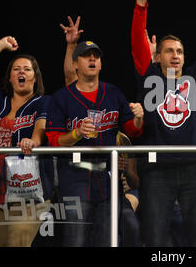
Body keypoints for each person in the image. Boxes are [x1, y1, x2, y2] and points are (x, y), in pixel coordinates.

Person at [131, 0, 196, 246]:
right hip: (156, 172)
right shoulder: (147, 76)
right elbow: (138, 42)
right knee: (155, 238)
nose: (176, 56)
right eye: (169, 51)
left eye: (180, 52)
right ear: (157, 57)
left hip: (193, 170)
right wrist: (141, 4)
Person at [46, 24, 144, 246]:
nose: (92, 59)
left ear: (100, 64)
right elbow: (53, 141)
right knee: (76, 241)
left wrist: (138, 117)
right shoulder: (62, 98)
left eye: (96, 57)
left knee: (107, 240)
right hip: (74, 179)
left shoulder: (113, 93)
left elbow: (132, 130)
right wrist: (77, 133)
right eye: (85, 56)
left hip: (108, 181)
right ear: (75, 64)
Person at [0, 36, 52, 247]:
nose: (21, 73)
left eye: (27, 69)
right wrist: (1, 44)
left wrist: (33, 141)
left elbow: (41, 128)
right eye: (16, 69)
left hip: (28, 191)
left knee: (16, 244)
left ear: (35, 77)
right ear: (9, 77)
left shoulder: (42, 101)